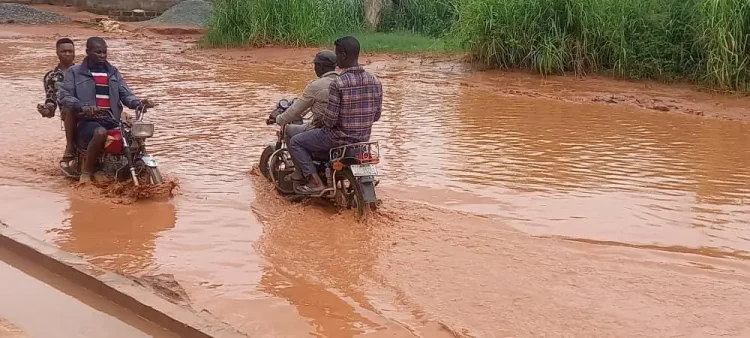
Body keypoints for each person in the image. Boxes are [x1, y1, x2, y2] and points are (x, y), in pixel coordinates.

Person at [288, 36, 383, 194]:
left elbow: (330, 121)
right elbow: (377, 116)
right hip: (362, 140)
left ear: (344, 55)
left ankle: (315, 182)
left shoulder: (338, 83)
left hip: (335, 139)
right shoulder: (375, 81)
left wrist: (320, 122)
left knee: (296, 142)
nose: (336, 59)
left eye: (337, 54)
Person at [59, 37, 154, 184]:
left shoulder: (113, 72)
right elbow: (65, 95)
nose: (102, 55)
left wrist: (138, 103)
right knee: (100, 132)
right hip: (88, 121)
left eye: (104, 52)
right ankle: (86, 172)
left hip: (112, 119)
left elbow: (125, 94)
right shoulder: (75, 72)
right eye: (98, 52)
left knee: (133, 136)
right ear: (88, 52)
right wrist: (83, 106)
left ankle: (129, 166)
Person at [271, 50, 338, 182]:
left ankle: (303, 174)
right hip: (345, 133)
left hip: (326, 132)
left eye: (315, 65)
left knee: (290, 132)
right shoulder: (343, 82)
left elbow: (295, 110)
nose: (315, 68)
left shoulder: (316, 86)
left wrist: (279, 119)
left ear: (321, 67)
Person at [37, 38, 76, 166]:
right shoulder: (51, 77)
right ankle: (69, 147)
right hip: (68, 113)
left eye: (70, 51)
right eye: (64, 51)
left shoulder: (83, 72)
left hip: (89, 108)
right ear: (57, 53)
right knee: (69, 109)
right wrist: (47, 110)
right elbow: (51, 100)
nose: (68, 54)